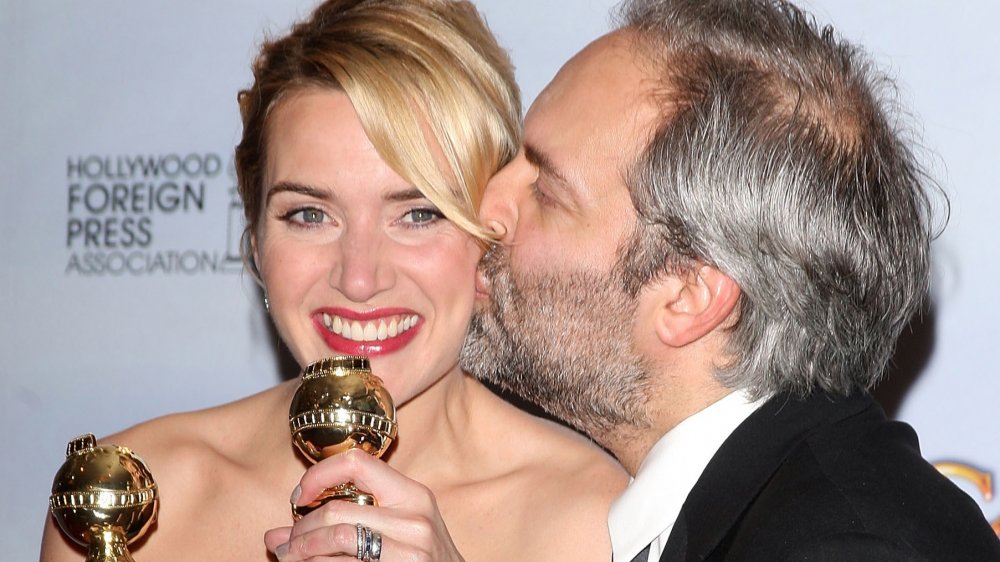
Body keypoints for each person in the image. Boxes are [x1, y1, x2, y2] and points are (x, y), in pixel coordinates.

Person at [39, 1, 627, 561]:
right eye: (310, 215)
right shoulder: (129, 499)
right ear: (255, 239)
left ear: (490, 233)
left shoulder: (597, 522)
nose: (360, 277)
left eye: (419, 214)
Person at [460, 0, 1000, 560]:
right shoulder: (765, 509)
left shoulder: (840, 546)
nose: (487, 204)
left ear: (688, 295)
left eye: (546, 190)